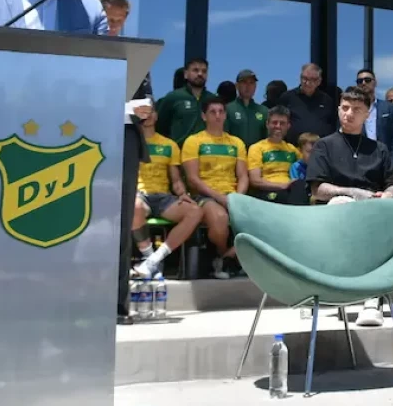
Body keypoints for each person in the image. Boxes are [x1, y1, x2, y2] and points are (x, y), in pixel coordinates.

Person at [307, 87, 393, 326]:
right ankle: (371, 297)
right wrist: (353, 192)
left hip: (380, 206)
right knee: (344, 206)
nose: (349, 114)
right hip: (344, 207)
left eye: (356, 110)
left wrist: (387, 197)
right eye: (345, 108)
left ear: (368, 114)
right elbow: (317, 189)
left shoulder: (379, 149)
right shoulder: (324, 146)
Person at [97, 0, 155, 322]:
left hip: (127, 144)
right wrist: (124, 107)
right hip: (88, 143)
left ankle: (117, 304)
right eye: (109, 20)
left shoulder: (132, 55)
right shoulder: (82, 48)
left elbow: (147, 100)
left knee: (120, 225)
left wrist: (143, 109)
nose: (114, 28)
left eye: (120, 22)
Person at [130, 109, 205, 279]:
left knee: (195, 211)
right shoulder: (130, 143)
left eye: (151, 112)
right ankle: (149, 256)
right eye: (143, 112)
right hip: (139, 194)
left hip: (163, 196)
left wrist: (183, 193)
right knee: (134, 206)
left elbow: (176, 179)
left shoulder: (169, 145)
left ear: (156, 116)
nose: (147, 116)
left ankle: (154, 260)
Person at [181, 98, 249, 279]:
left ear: (226, 115)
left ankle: (226, 259)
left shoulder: (237, 143)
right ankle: (224, 255)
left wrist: (237, 198)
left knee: (263, 222)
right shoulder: (193, 141)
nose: (218, 116)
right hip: (204, 195)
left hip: (232, 195)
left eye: (221, 111)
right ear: (204, 116)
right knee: (219, 218)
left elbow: (243, 176)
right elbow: (193, 179)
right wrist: (220, 198)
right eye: (213, 112)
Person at [246, 106, 307, 205]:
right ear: (267, 124)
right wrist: (282, 186)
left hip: (291, 191)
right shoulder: (256, 148)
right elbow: (255, 180)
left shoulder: (293, 150)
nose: (278, 126)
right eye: (274, 122)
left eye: (282, 123)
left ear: (288, 126)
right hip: (268, 192)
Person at [155, 58, 217, 145]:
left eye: (204, 71)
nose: (200, 74)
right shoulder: (173, 97)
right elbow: (160, 126)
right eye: (195, 70)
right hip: (179, 153)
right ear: (186, 74)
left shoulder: (213, 100)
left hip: (208, 153)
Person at [279, 62, 336, 145]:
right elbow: (280, 123)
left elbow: (333, 124)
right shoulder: (287, 97)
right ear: (300, 78)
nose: (308, 82)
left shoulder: (327, 100)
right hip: (293, 150)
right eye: (305, 78)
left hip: (321, 150)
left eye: (313, 79)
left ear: (319, 81)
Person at [225, 69, 268, 149]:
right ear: (237, 85)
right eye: (244, 82)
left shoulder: (264, 111)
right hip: (234, 157)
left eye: (251, 83)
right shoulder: (228, 109)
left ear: (255, 86)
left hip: (256, 158)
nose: (248, 86)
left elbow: (267, 140)